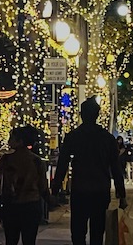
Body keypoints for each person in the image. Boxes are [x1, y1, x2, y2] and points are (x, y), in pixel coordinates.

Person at [51, 97, 127, 245]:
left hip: (80, 189)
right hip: (100, 189)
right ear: (97, 115)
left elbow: (62, 164)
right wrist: (121, 194)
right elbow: (116, 168)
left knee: (78, 232)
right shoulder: (107, 138)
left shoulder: (73, 137)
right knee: (97, 232)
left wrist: (55, 190)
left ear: (81, 114)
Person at [0, 126, 49, 245]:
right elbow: (43, 186)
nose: (9, 141)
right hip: (31, 205)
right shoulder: (36, 161)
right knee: (29, 240)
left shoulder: (6, 160)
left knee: (11, 240)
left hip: (11, 205)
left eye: (12, 138)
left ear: (20, 141)